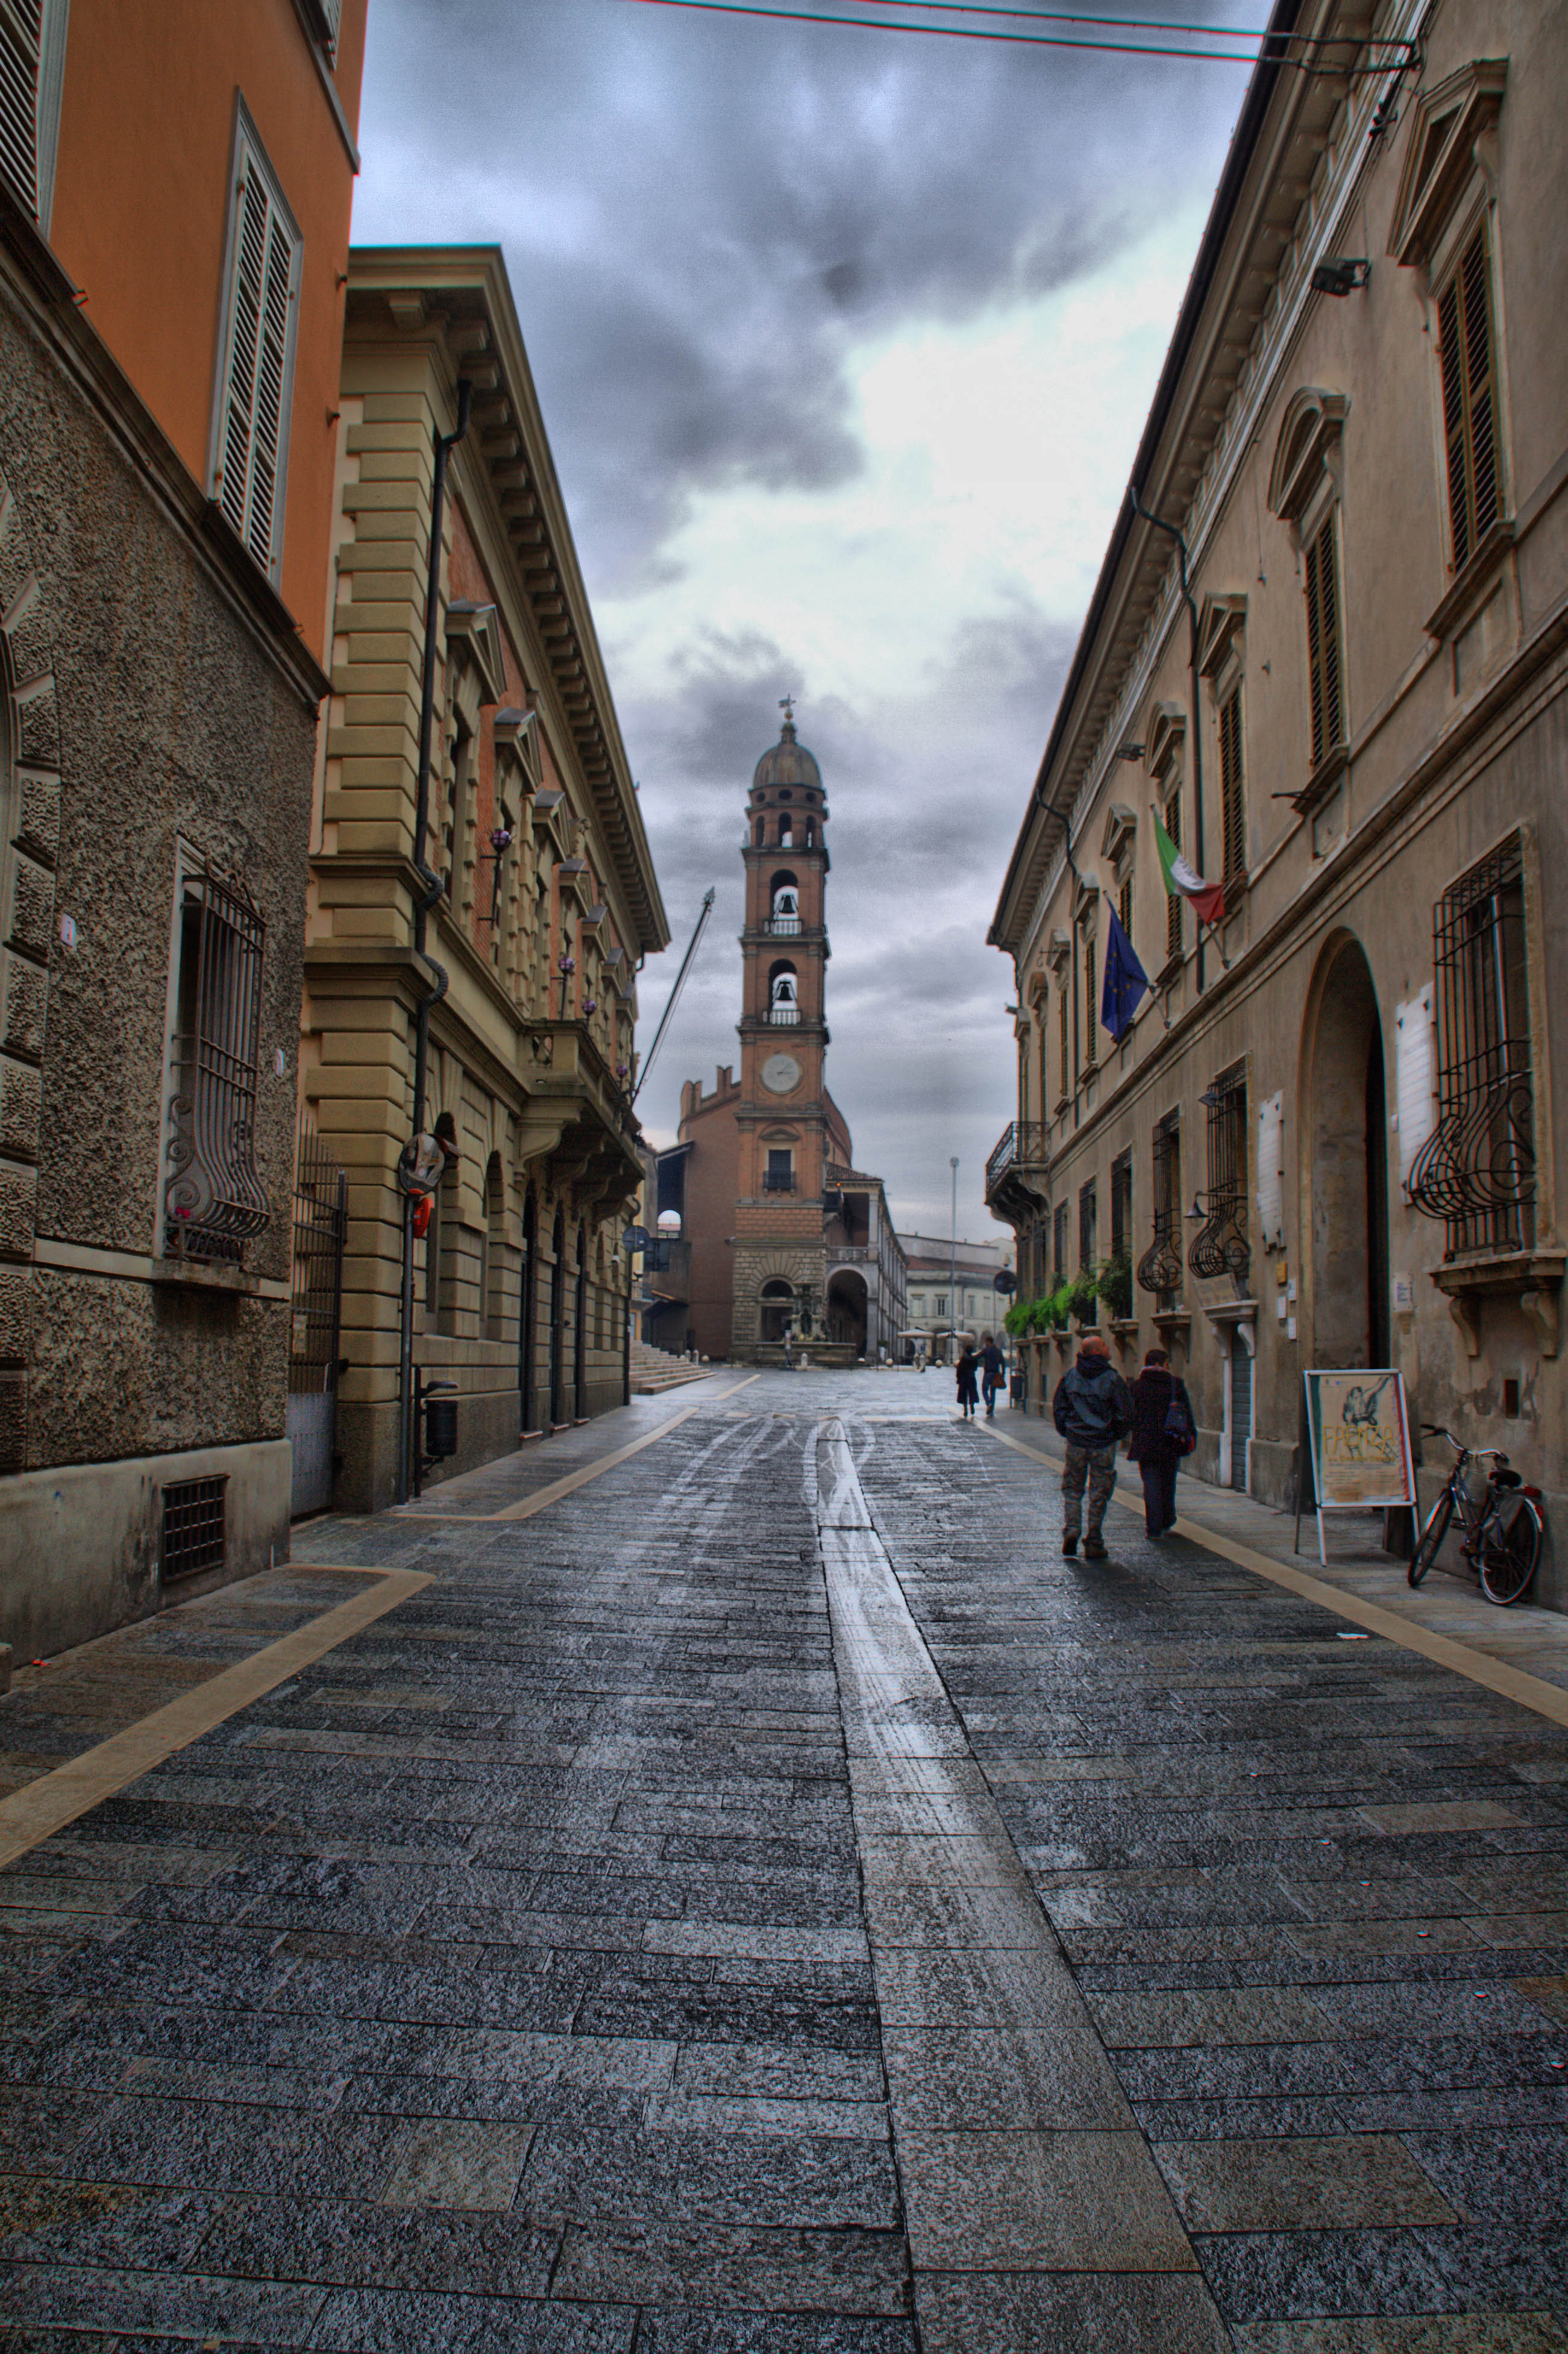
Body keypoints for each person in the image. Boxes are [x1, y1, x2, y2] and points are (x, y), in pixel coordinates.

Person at [1052, 1329, 1132, 1559]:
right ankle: (1094, 1540)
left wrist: (1068, 1431)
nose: (1109, 1349)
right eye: (1105, 1346)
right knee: (1100, 1491)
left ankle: (1073, 1529)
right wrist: (1114, 1435)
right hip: (1103, 1443)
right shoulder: (1113, 1379)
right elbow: (1125, 1414)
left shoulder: (1070, 1377)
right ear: (1096, 1351)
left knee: (1072, 1489)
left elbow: (1059, 1409)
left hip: (1076, 1442)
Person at [1127, 1345, 1195, 1536]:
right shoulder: (1175, 1384)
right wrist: (1191, 1437)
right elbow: (1186, 1414)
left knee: (1150, 1483)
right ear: (1159, 1364)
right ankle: (1167, 1518)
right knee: (1168, 1482)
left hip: (1145, 1442)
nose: (1169, 1368)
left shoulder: (1136, 1387)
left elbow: (1128, 1414)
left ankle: (1153, 1526)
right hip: (1170, 1441)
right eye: (1167, 1364)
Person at [979, 1331, 1006, 1419]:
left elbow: (977, 1356)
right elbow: (1003, 1363)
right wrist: (1003, 1374)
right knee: (993, 1392)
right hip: (996, 1374)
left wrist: (967, 1358)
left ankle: (989, 1403)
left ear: (988, 1342)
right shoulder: (998, 1351)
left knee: (984, 1389)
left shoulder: (986, 1350)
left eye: (986, 1342)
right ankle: (991, 1410)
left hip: (988, 1373)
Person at [955, 1341, 980, 1419]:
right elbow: (976, 1368)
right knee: (972, 1392)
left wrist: (958, 1378)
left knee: (963, 1393)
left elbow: (959, 1369)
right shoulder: (974, 1359)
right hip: (972, 1377)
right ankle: (972, 1405)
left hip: (964, 1377)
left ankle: (965, 1409)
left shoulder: (963, 1359)